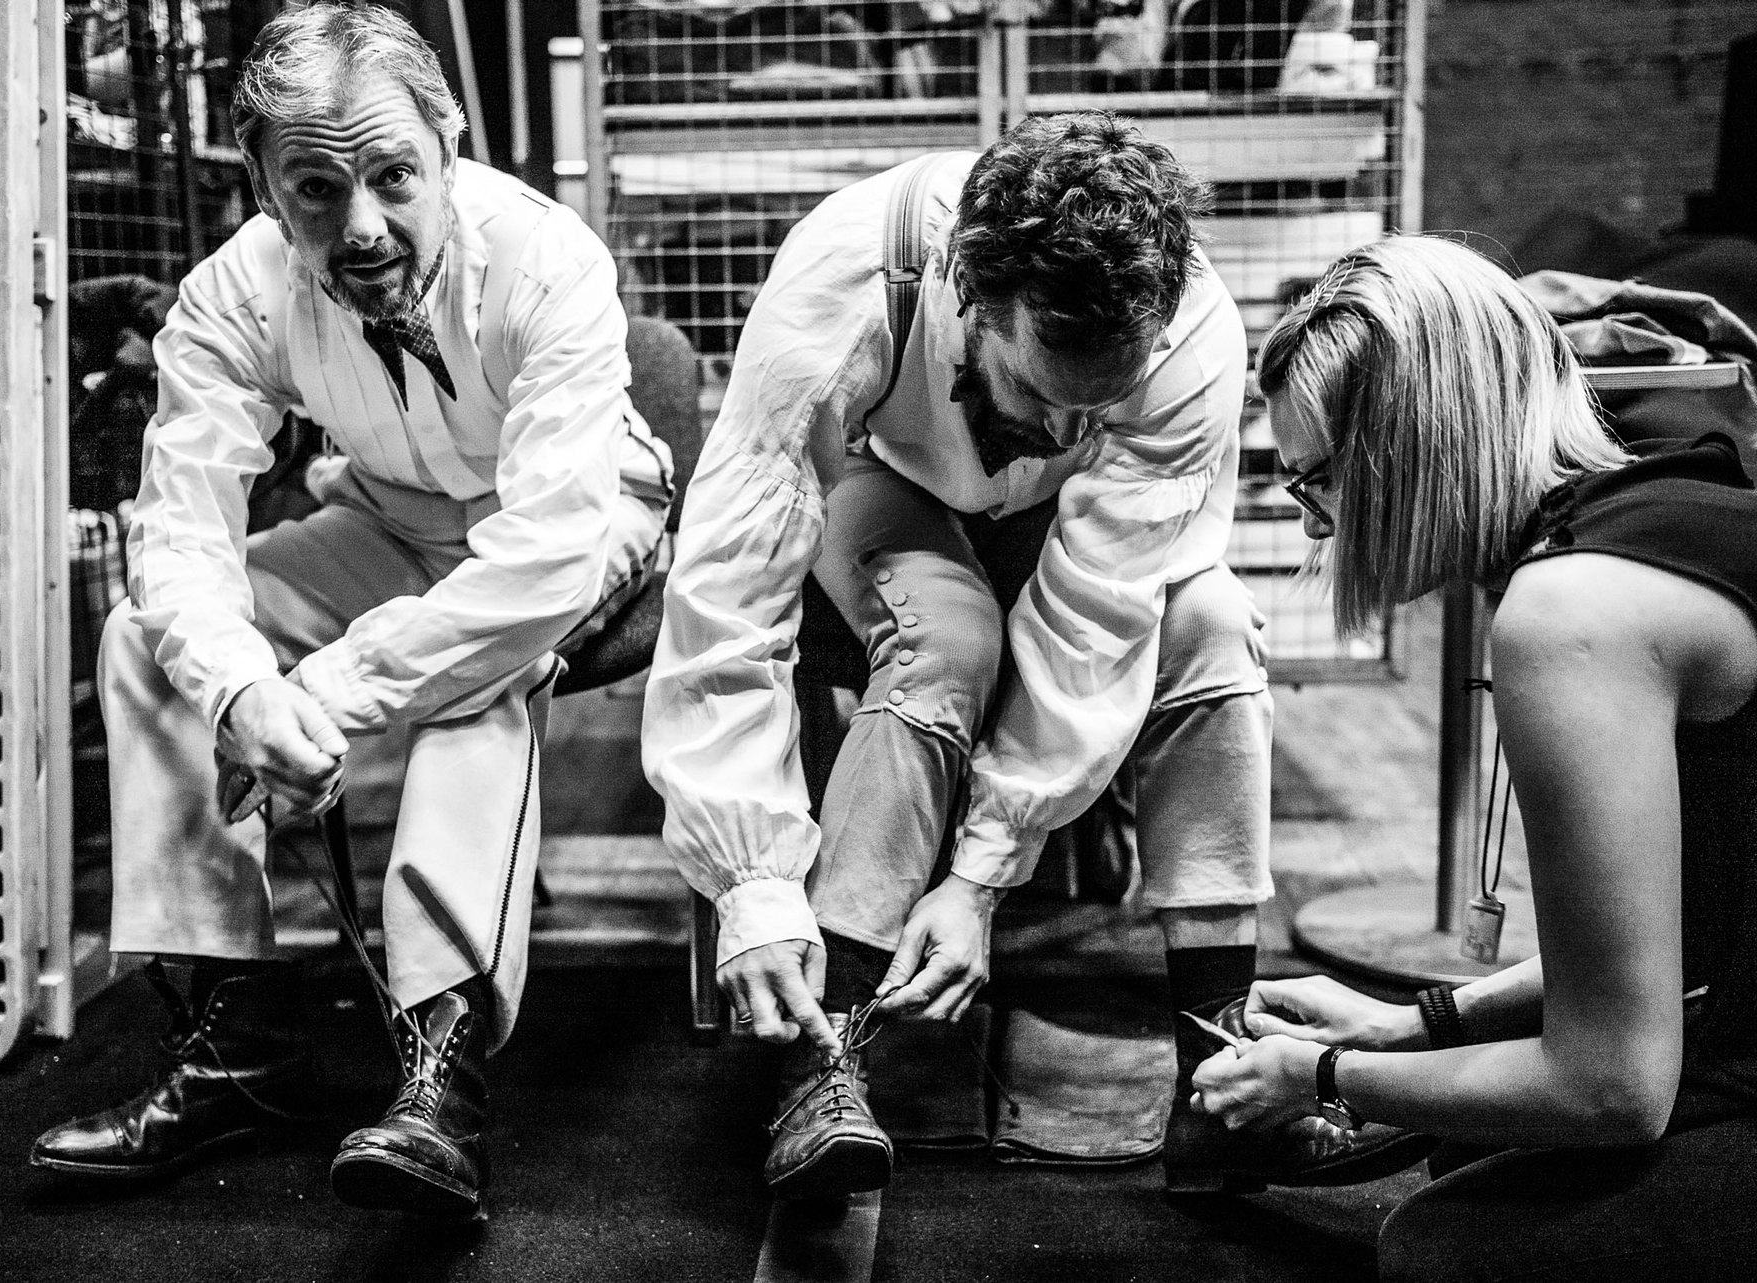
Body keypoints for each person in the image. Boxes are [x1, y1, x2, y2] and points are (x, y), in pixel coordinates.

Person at [643, 111, 1425, 1201]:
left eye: (1094, 408)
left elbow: (1097, 611)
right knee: (947, 632)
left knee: (1210, 622)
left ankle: (1218, 1078)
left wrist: (976, 878)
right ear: (972, 291)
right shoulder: (845, 274)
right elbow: (731, 588)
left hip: (1070, 525)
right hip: (887, 484)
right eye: (1037, 390)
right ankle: (818, 1064)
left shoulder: (1189, 331)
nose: (1064, 429)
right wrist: (753, 887)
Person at [29, 3, 671, 1223]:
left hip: (580, 518)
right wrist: (238, 686)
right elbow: (180, 528)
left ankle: (441, 1070)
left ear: (450, 140)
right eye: (316, 190)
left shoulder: (546, 261)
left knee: (481, 674)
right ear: (269, 190)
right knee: (149, 645)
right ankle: (235, 1041)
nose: (361, 224)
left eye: (392, 176)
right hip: (388, 510)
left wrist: (317, 694)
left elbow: (539, 560)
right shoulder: (235, 295)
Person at [1191, 234, 1757, 1280]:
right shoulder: (1657, 491)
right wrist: (1419, 1021)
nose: (1315, 524)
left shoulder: (1572, 613)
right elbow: (1663, 951)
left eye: (1315, 484)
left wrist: (1327, 1072)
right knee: (1471, 1135)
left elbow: (1613, 1084)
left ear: (1405, 450)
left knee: (1447, 1246)